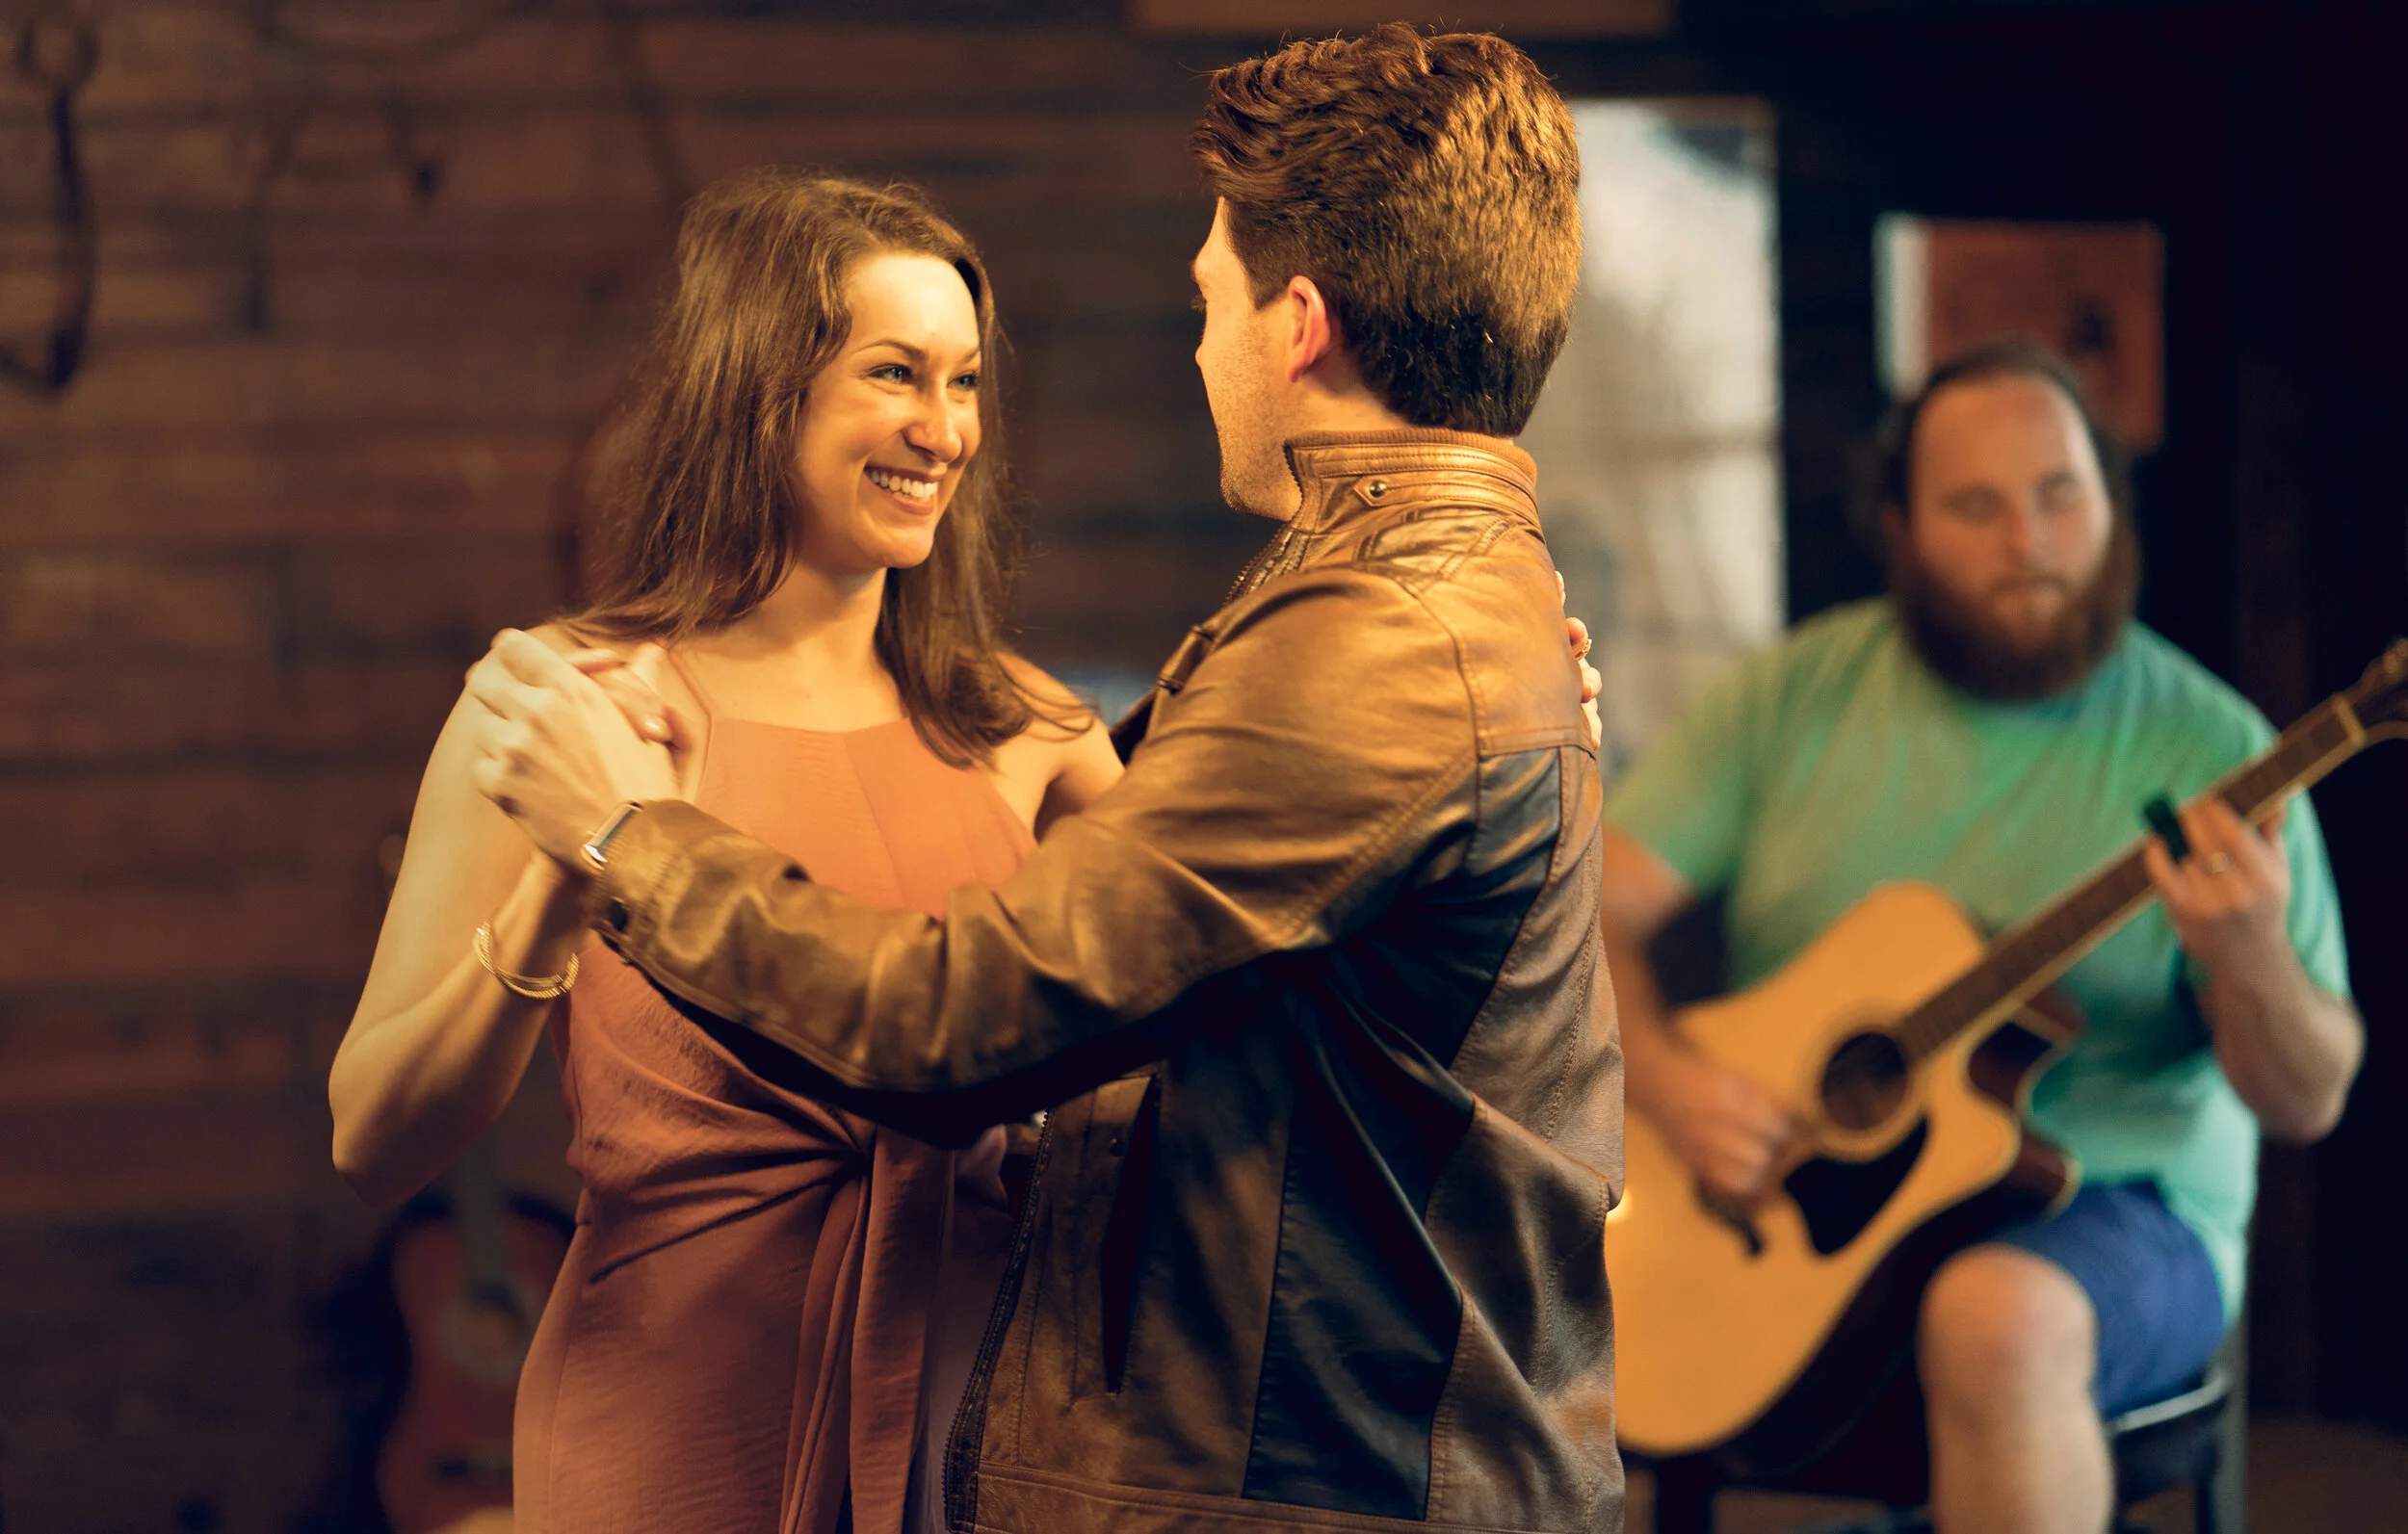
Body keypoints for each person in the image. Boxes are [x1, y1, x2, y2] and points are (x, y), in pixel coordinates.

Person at [457, 25, 1624, 1534]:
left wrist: (626, 836)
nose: (1199, 347)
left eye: (1210, 304)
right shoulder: (1419, 613)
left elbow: (955, 1027)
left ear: (1302, 326)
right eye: (892, 372)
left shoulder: (1386, 638)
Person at [330, 170, 1125, 1533]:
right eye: (897, 374)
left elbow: (1247, 985)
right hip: (671, 1429)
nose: (945, 430)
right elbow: (374, 1127)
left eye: (967, 382)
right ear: (764, 391)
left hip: (982, 1436)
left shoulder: (1032, 731)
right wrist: (559, 890)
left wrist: (1512, 750)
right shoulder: (561, 704)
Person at [1597, 342, 2361, 1534]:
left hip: (2121, 1211)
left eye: (2062, 495)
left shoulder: (2221, 752)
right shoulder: (1795, 695)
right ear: (1896, 524)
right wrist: (1671, 1081)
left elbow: (2309, 1098)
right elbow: (1586, 907)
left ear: (2110, 500)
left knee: (1992, 1319)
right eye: (1976, 506)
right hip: (1806, 1213)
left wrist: (2251, 952)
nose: (2030, 544)